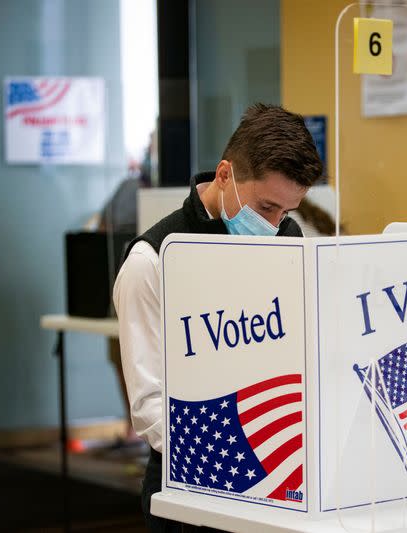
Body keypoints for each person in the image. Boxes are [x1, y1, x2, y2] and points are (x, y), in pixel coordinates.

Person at [113, 103, 323, 532]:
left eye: (287, 212)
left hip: (279, 473)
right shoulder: (150, 262)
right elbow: (149, 405)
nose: (275, 225)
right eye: (266, 208)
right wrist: (226, 459)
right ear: (224, 174)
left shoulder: (288, 239)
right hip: (187, 482)